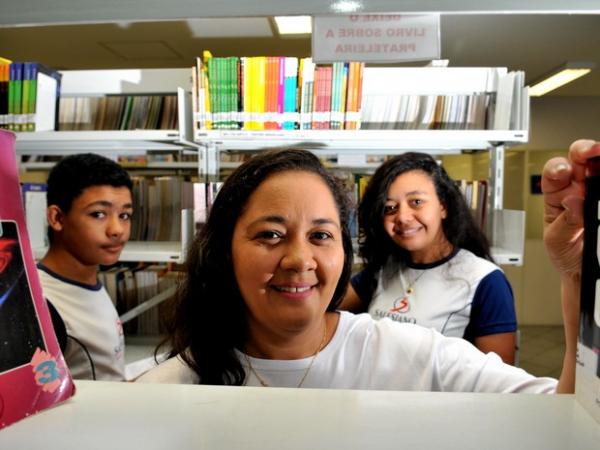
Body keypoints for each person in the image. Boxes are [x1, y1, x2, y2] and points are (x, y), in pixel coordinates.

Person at [138, 141, 595, 394]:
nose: (300, 260)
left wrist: (581, 276)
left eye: (321, 235)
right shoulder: (173, 386)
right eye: (271, 234)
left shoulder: (418, 355)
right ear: (223, 250)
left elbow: (564, 412)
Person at [339, 152, 517, 364]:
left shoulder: (486, 281)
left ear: (443, 206)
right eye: (390, 208)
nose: (403, 217)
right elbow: (325, 310)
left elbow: (498, 380)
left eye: (416, 202)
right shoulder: (384, 269)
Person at [37, 153, 133, 381]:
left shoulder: (89, 280)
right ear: (57, 218)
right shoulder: (40, 305)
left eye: (125, 215)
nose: (117, 229)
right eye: (98, 214)